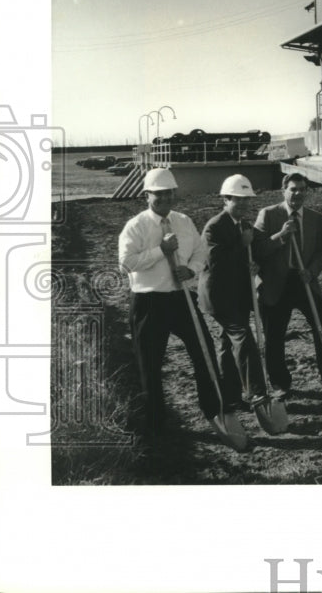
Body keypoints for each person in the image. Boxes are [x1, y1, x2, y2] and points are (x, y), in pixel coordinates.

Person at [118, 167, 236, 445]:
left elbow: (200, 250)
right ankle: (157, 425)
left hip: (181, 298)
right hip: (149, 301)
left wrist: (192, 270)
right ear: (147, 195)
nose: (165, 198)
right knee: (150, 366)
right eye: (158, 194)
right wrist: (161, 251)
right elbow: (125, 263)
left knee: (203, 352)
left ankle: (214, 408)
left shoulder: (183, 221)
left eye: (169, 193)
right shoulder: (136, 226)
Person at [199, 174, 280, 430]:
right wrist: (241, 245)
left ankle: (230, 396)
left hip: (239, 295)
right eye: (238, 200)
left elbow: (260, 249)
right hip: (219, 296)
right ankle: (257, 392)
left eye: (247, 200)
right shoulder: (214, 226)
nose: (244, 205)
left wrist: (278, 239)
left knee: (227, 344)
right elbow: (216, 263)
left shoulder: (245, 225)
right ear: (226, 199)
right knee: (243, 338)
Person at [252, 172, 322, 401]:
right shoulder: (268, 215)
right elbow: (258, 250)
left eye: (302, 189)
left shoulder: (315, 218)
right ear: (284, 190)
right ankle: (281, 383)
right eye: (293, 189)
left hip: (303, 280)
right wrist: (280, 236)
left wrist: (312, 271)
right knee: (275, 335)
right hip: (275, 282)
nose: (298, 193)